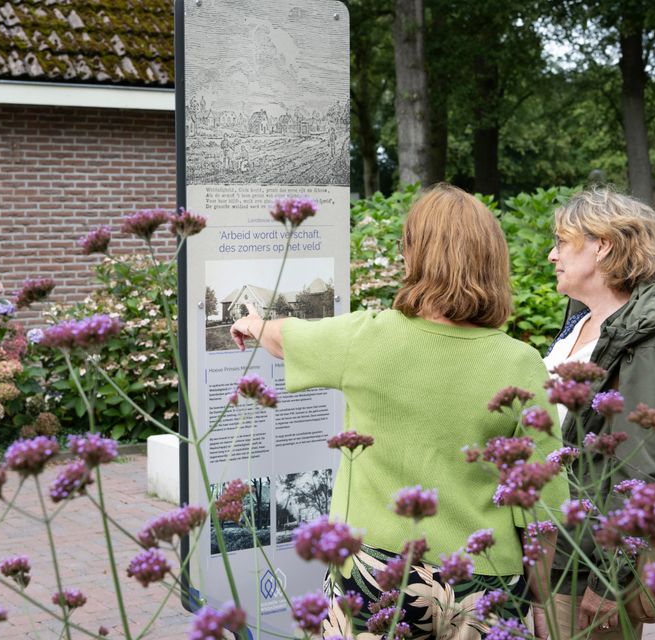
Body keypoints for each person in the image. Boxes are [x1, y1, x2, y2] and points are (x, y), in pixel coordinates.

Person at [231, 184, 569, 639]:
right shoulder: (521, 362)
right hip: (484, 583)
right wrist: (544, 605)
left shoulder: (366, 338)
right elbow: (543, 506)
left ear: (415, 257)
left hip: (375, 575)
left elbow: (284, 337)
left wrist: (252, 323)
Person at [540, 187, 655, 639]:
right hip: (552, 552)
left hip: (588, 570)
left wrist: (610, 579)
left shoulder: (643, 347)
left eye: (562, 242)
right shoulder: (581, 322)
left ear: (602, 245)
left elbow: (642, 475)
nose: (551, 255)